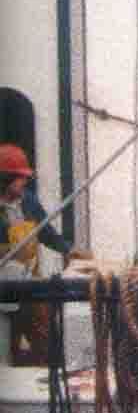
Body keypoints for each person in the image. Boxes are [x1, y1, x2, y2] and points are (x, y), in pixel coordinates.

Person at [0, 140, 70, 361]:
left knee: (46, 337)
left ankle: (48, 369)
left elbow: (46, 232)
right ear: (5, 179)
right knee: (7, 347)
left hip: (29, 282)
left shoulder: (29, 201)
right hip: (3, 288)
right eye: (20, 177)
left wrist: (67, 250)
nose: (25, 181)